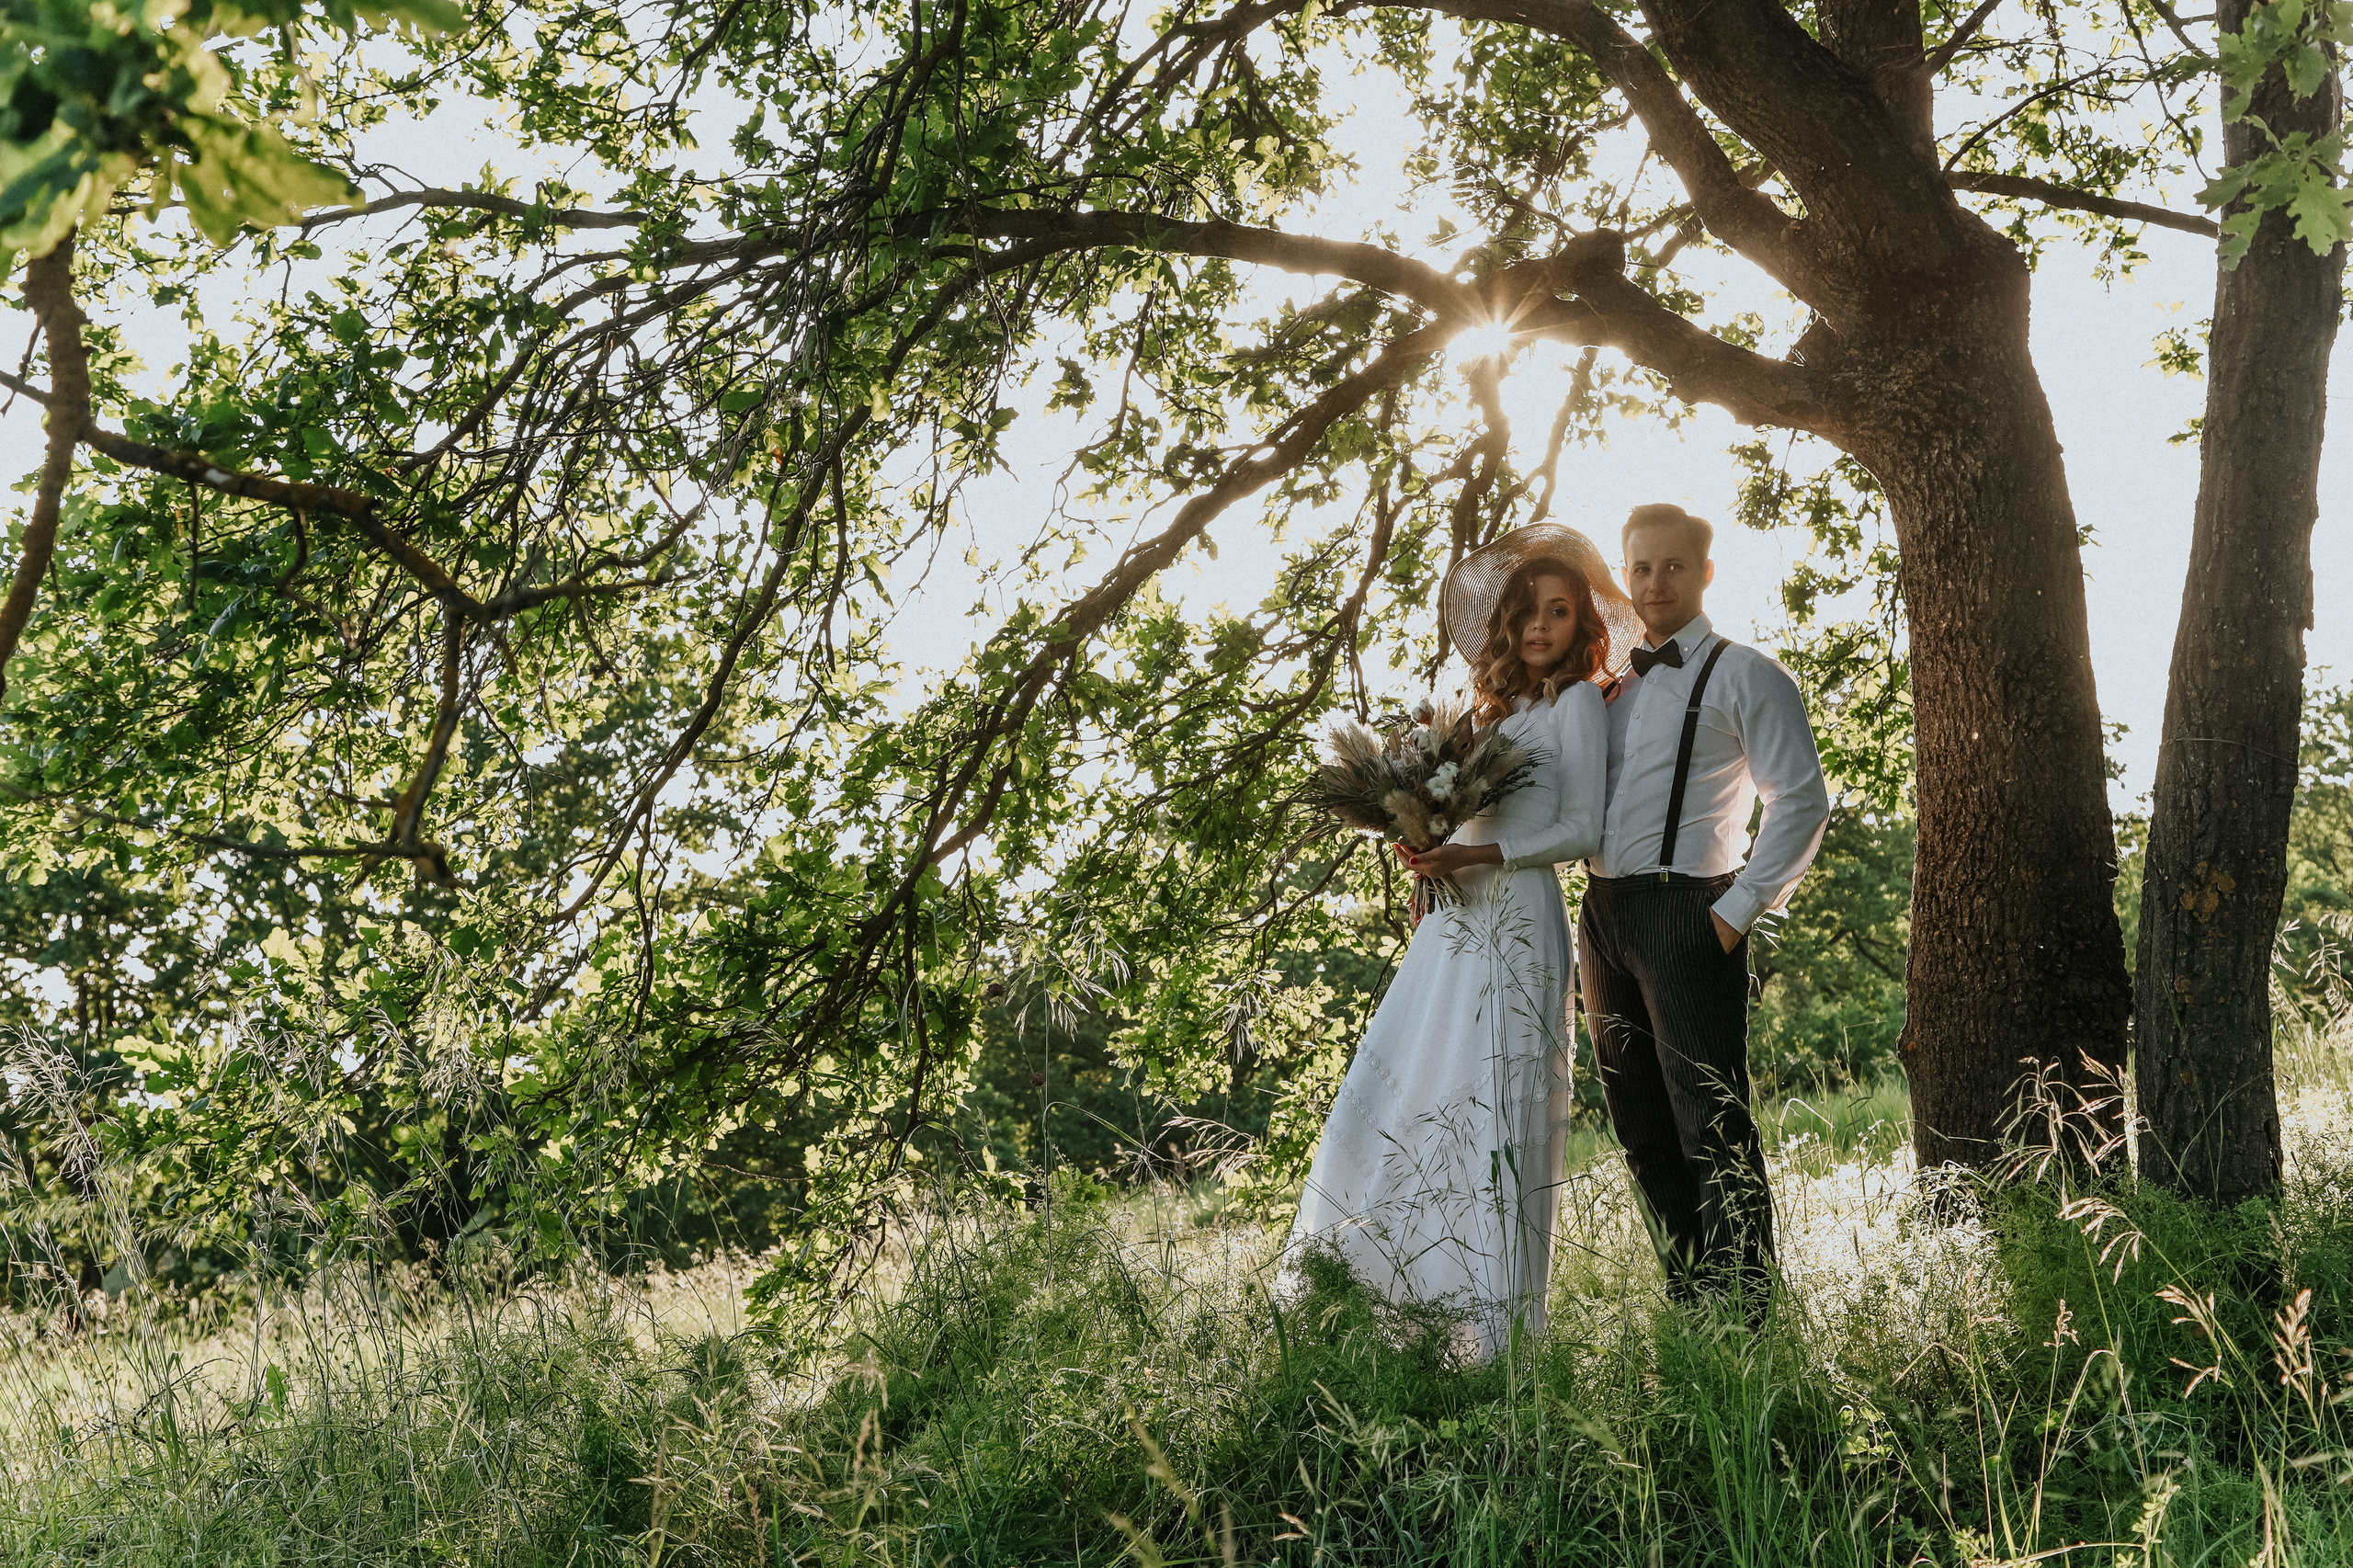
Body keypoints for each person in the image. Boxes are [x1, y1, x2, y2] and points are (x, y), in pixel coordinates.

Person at [1287, 523, 1638, 1358]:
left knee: (1495, 1117)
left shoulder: (1578, 705)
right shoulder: (1494, 713)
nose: (1543, 627)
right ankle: (1395, 1306)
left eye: (1560, 612)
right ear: (1509, 627)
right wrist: (1426, 860)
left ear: (1582, 625)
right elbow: (1462, 811)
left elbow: (1581, 829)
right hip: (1454, 921)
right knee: (1418, 1094)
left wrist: (1474, 852)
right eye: (1528, 614)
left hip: (1518, 917)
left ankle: (1498, 1334)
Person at [1579, 503, 1828, 1320]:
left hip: (1690, 914)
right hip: (1604, 920)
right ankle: (1693, 1310)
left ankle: (1751, 1321)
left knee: (1712, 1129)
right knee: (1642, 1132)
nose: (1654, 583)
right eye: (1639, 567)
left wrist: (1736, 911)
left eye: (1673, 567)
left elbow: (1800, 801)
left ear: (1705, 572)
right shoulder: (1604, 686)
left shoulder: (1745, 673)